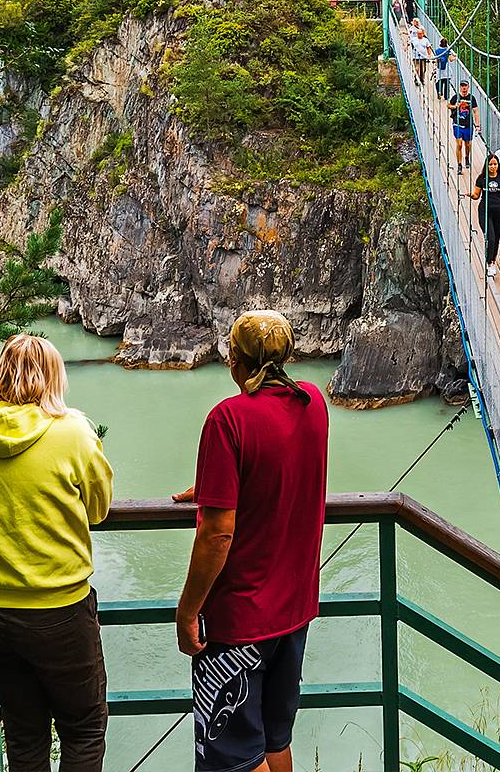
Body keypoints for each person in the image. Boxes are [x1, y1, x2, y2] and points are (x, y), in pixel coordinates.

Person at [174, 311, 330, 772]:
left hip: (239, 621)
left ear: (237, 361)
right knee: (275, 740)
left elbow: (217, 533)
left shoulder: (228, 419)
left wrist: (187, 611)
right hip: (295, 609)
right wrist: (215, 482)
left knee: (234, 760)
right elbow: (281, 463)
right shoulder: (313, 403)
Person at [0, 333, 114, 772]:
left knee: (24, 735)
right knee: (83, 730)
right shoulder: (73, 431)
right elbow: (98, 509)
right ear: (53, 378)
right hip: (58, 609)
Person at [466, 152, 500, 278]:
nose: (493, 167)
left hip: (499, 212)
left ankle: (492, 260)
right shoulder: (482, 179)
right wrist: (471, 195)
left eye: (495, 164)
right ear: (487, 165)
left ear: (498, 165)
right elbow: (477, 195)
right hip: (484, 211)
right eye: (490, 164)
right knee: (491, 237)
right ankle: (489, 263)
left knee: (496, 238)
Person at [448, 78, 479, 173]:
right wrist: (455, 106)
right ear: (460, 87)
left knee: (468, 144)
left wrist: (477, 125)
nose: (464, 88)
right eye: (462, 86)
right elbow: (449, 105)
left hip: (468, 125)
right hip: (457, 124)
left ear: (468, 87)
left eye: (465, 86)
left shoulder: (471, 98)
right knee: (460, 144)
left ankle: (466, 157)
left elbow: (475, 111)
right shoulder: (456, 97)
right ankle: (459, 164)